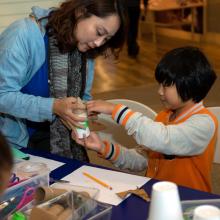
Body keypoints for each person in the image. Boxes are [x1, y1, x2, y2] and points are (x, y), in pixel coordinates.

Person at [73, 47, 217, 192]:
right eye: (160, 84)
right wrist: (103, 148)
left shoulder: (204, 123)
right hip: (156, 195)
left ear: (190, 84)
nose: (159, 91)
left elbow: (163, 139)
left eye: (166, 85)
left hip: (189, 203)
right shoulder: (163, 116)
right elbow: (143, 160)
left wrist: (115, 110)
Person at [0, 0, 126, 162]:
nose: (98, 43)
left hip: (57, 142)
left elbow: (83, 97)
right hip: (14, 146)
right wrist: (54, 106)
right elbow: (2, 95)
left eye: (107, 38)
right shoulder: (23, 35)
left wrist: (84, 112)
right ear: (80, 12)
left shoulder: (85, 49)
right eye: (99, 31)